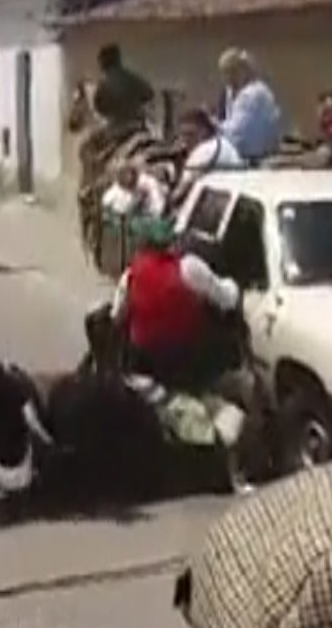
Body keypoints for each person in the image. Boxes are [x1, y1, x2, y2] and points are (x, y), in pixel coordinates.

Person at [111, 217, 258, 492]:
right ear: (170, 242)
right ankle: (235, 468)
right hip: (188, 361)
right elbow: (227, 299)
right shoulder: (189, 268)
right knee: (233, 393)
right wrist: (233, 283)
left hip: (144, 361)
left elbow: (116, 314)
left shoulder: (130, 274)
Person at [218, 49, 282, 164]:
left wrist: (212, 126)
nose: (227, 79)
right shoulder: (233, 93)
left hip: (257, 159)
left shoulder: (252, 94)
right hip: (246, 156)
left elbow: (237, 134)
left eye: (229, 72)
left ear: (241, 71)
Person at [171, 107, 245, 207]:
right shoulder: (226, 144)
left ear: (204, 131)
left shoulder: (202, 152)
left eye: (190, 134)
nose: (185, 141)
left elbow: (177, 196)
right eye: (183, 135)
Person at [101, 160, 167, 219]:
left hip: (149, 215)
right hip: (126, 216)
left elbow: (158, 205)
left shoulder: (149, 183)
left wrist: (153, 216)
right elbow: (105, 202)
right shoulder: (116, 189)